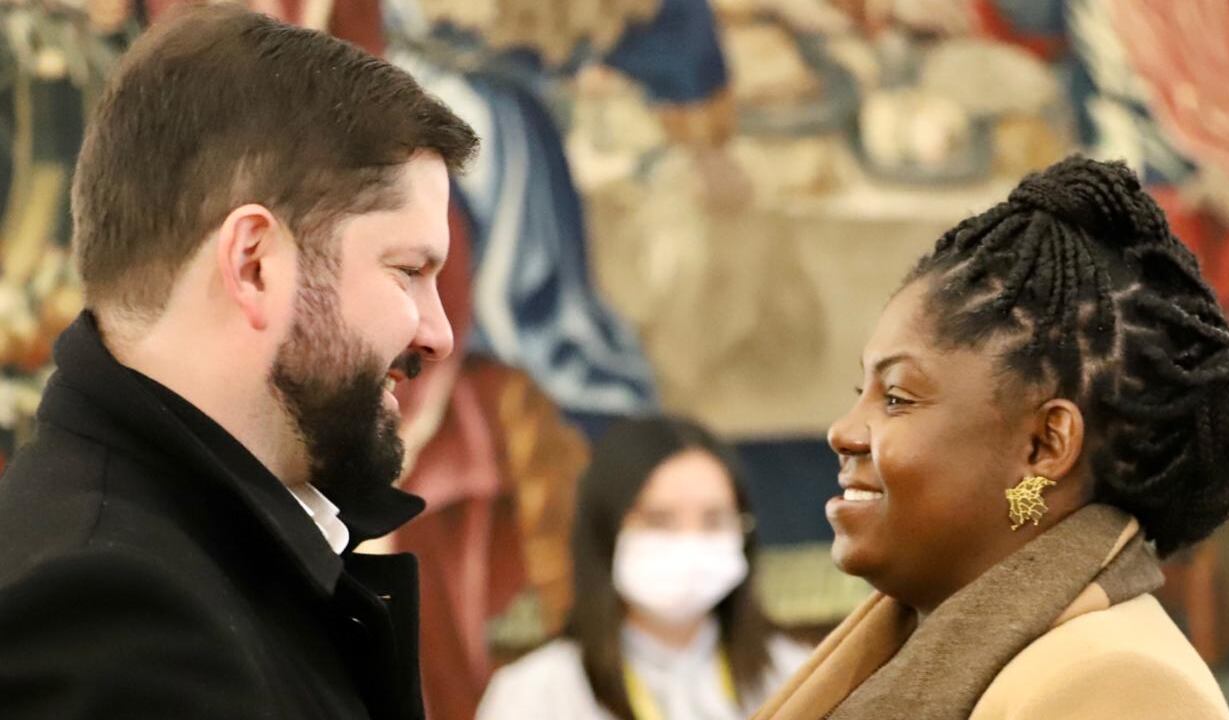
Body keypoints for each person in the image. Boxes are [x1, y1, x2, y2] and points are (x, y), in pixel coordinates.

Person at [0, 5, 478, 719]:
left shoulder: (202, 560)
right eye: (408, 270)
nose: (437, 334)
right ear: (253, 264)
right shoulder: (113, 622)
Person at [753, 156, 1229, 720]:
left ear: (1043, 446)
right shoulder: (954, 644)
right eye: (860, 394)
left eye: (896, 398)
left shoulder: (1111, 685)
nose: (843, 432)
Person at [478, 416, 810, 719]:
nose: (689, 543)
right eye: (659, 520)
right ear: (607, 532)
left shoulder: (800, 676)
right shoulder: (536, 694)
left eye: (714, 520)